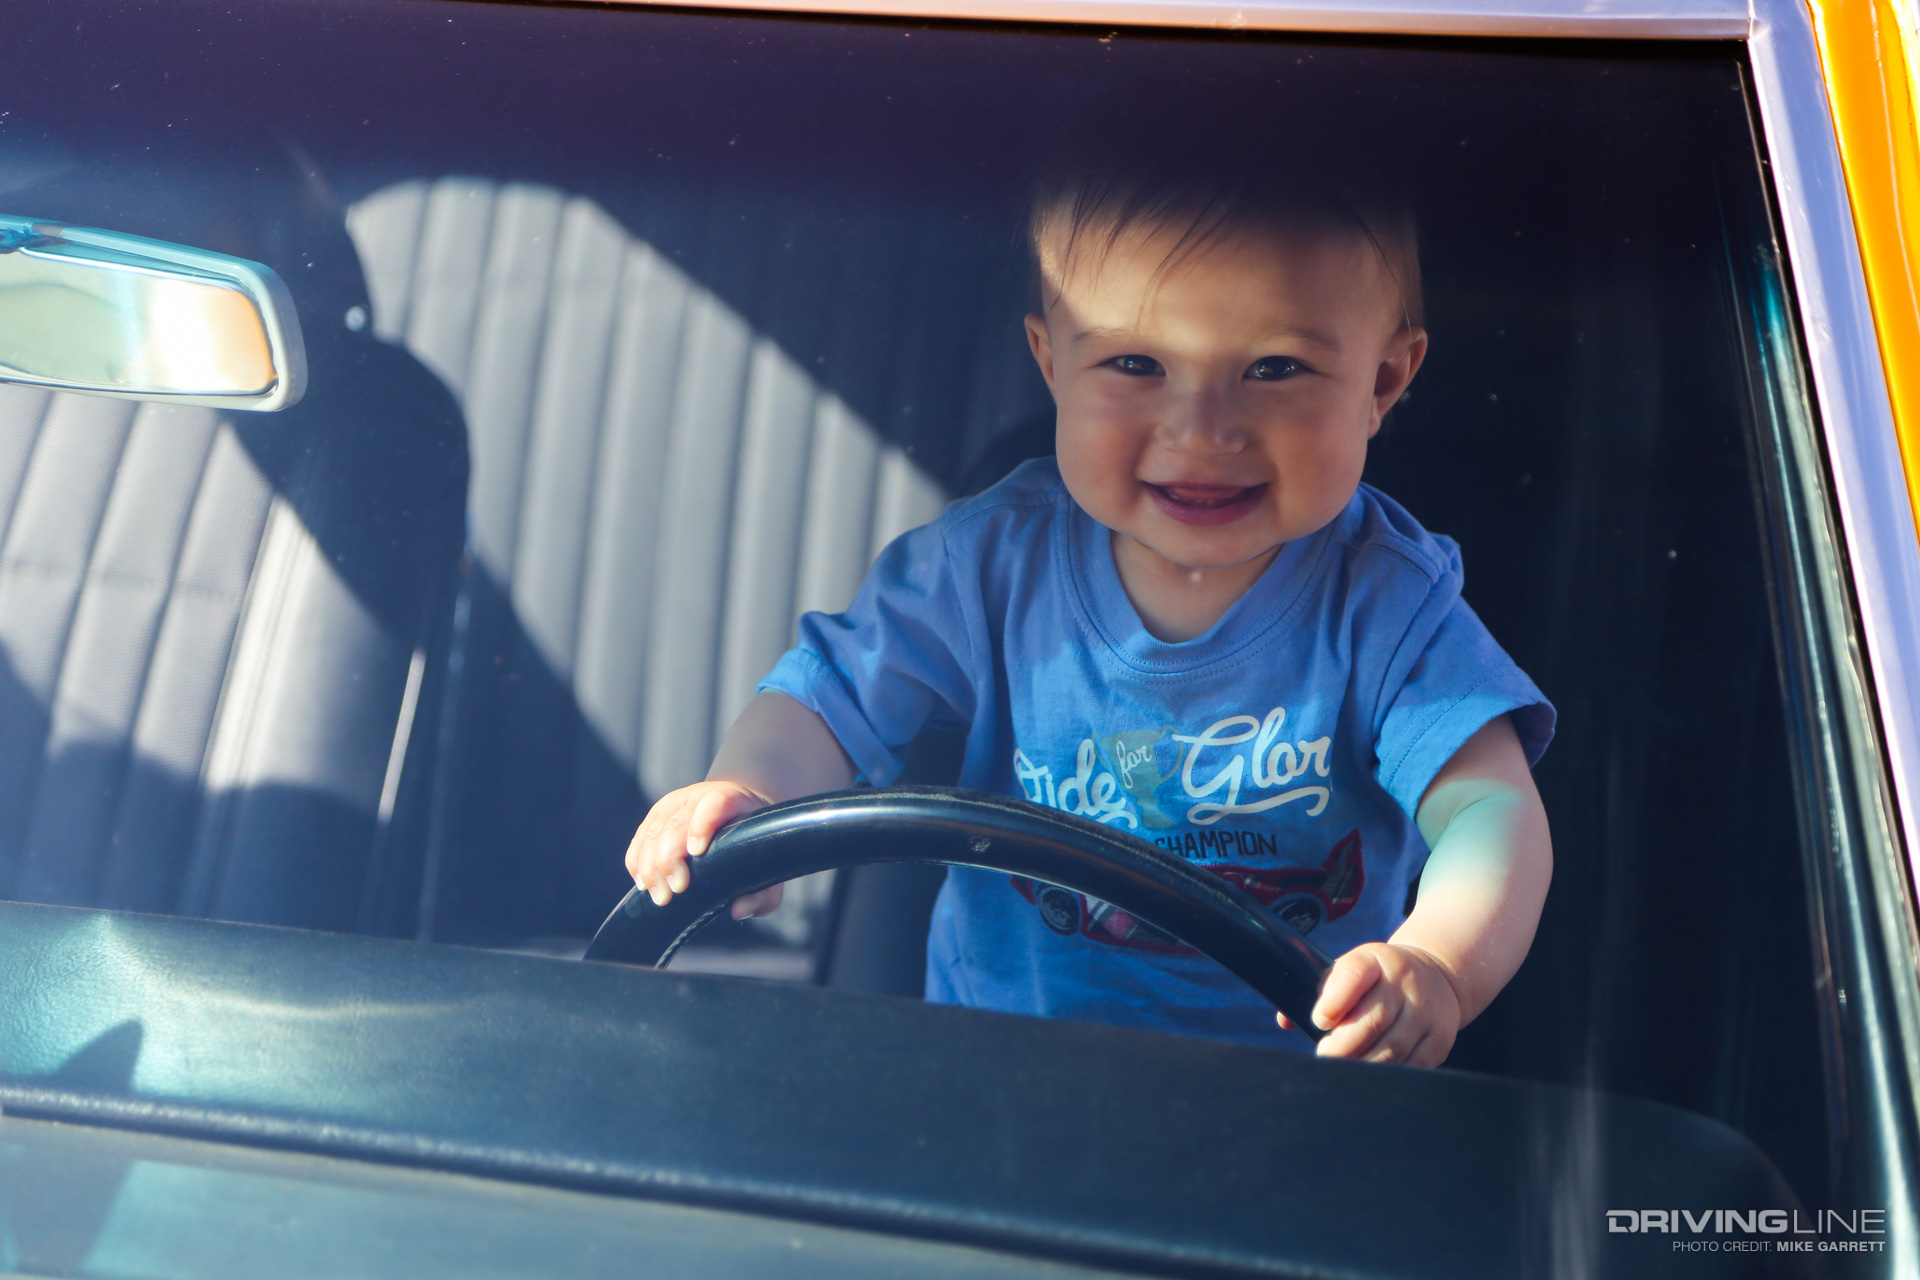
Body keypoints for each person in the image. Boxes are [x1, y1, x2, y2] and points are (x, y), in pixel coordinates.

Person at [626, 94, 1555, 1066]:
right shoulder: (987, 568)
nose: (1202, 429)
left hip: (1293, 1117)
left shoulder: (1387, 608)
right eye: (1136, 362)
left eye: (1275, 367)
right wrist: (747, 786)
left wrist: (1438, 962)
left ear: (1382, 385)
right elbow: (820, 700)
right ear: (1051, 363)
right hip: (1001, 1090)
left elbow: (1491, 810)